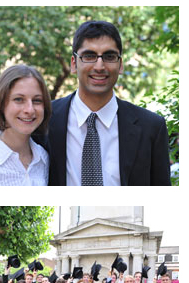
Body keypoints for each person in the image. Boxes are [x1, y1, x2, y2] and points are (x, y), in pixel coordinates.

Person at [48, 20, 171, 186]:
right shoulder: (45, 118)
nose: (99, 66)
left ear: (120, 64)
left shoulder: (152, 127)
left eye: (109, 56)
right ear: (74, 63)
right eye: (89, 56)